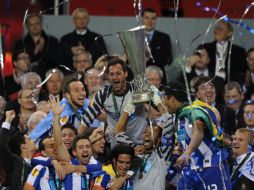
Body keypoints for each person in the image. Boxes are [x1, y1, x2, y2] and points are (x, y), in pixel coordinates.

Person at [163, 81, 232, 190]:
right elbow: (183, 141)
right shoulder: (179, 117)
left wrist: (186, 153)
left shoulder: (193, 111)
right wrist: (178, 153)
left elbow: (198, 132)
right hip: (190, 171)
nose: (163, 102)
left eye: (164, 98)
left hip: (210, 168)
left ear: (172, 99)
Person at [113, 89, 174, 190]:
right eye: (145, 132)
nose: (146, 135)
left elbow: (168, 121)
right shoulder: (137, 151)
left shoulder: (163, 154)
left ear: (159, 139)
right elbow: (118, 132)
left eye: (151, 133)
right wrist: (130, 105)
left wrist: (157, 100)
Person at [81, 58, 147, 147]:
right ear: (108, 76)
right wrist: (77, 143)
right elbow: (85, 122)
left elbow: (157, 106)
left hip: (139, 147)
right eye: (111, 74)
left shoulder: (138, 90)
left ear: (126, 74)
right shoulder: (102, 94)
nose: (115, 77)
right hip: (116, 150)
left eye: (118, 73)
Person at [30, 78, 101, 141]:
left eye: (83, 90)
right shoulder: (62, 112)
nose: (82, 93)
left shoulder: (86, 103)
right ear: (68, 95)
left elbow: (106, 117)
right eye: (76, 90)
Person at [13, 13, 59, 79]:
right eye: (31, 24)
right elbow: (17, 63)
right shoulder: (20, 43)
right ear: (27, 26)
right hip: (27, 78)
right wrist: (35, 53)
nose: (35, 27)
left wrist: (42, 50)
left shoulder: (52, 41)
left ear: (41, 24)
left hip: (49, 78)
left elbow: (57, 61)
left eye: (37, 23)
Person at [0, 110, 38, 190]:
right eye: (30, 139)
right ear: (23, 146)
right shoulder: (13, 161)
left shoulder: (38, 163)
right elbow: (2, 146)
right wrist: (8, 121)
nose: (34, 141)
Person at [142, 8, 172, 85]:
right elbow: (129, 60)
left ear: (156, 20)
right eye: (147, 18)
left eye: (153, 18)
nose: (150, 21)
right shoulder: (135, 36)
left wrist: (149, 57)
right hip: (140, 78)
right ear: (141, 19)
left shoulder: (164, 37)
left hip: (159, 78)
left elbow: (168, 59)